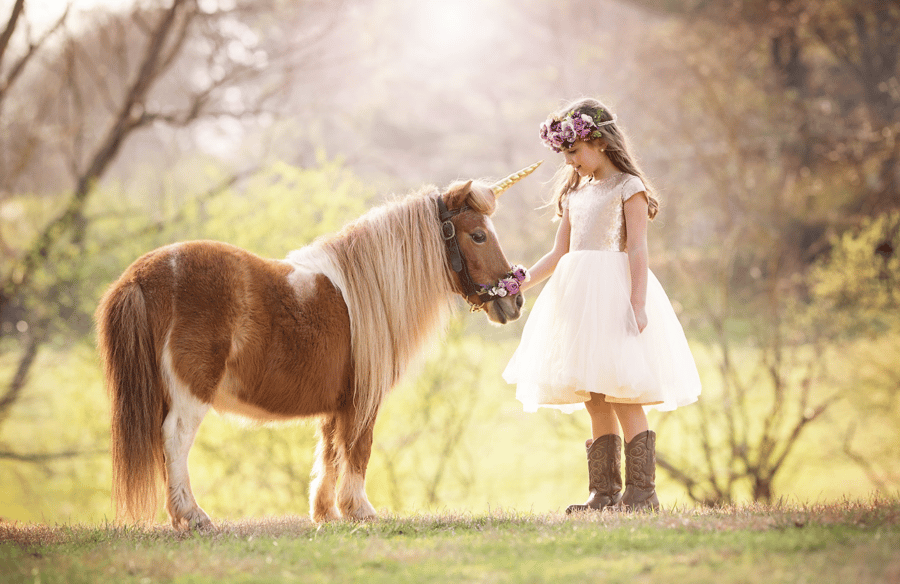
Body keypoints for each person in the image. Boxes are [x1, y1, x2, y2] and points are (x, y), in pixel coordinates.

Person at [503, 98, 701, 513]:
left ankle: (642, 494)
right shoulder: (575, 193)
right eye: (565, 154)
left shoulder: (630, 187)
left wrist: (637, 302)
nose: (570, 161)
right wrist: (519, 281)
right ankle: (604, 493)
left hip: (614, 295)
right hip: (577, 300)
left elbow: (639, 250)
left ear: (599, 141)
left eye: (574, 151)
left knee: (624, 392)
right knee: (594, 394)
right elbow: (559, 253)